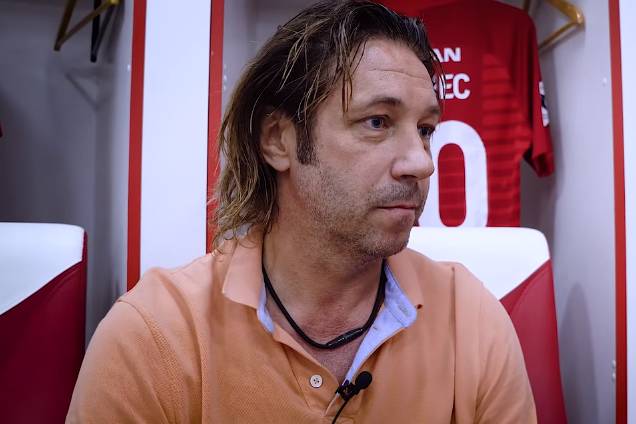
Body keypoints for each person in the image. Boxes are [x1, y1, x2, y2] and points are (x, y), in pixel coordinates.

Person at [67, 1, 536, 422]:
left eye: (426, 129)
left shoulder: (471, 321)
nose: (422, 162)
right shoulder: (155, 336)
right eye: (377, 122)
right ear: (278, 140)